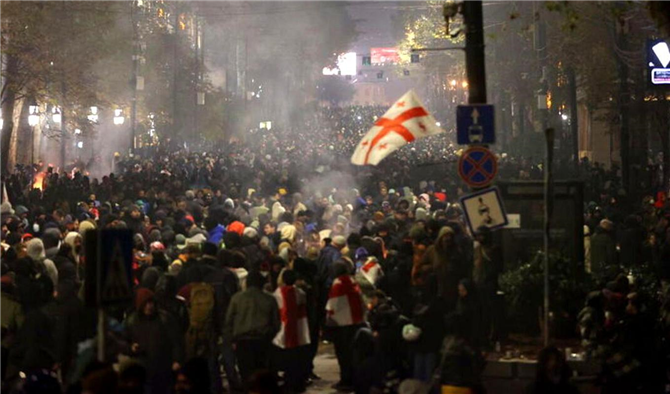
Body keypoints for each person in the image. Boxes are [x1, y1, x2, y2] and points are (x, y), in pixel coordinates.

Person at [224, 271, 280, 387]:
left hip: (242, 341)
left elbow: (228, 322)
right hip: (263, 340)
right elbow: (276, 323)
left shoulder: (236, 298)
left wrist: (230, 340)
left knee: (246, 374)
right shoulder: (269, 299)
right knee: (262, 375)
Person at [125, 288, 183, 394]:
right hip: (143, 369)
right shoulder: (132, 321)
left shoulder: (164, 319)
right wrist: (131, 348)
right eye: (146, 303)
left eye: (151, 303)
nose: (149, 306)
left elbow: (176, 340)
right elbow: (125, 341)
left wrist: (177, 360)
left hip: (163, 367)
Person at [325, 261, 366, 392]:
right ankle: (354, 379)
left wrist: (328, 321)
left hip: (342, 323)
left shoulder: (338, 283)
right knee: (353, 353)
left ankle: (345, 380)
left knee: (343, 354)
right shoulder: (352, 280)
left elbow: (333, 304)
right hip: (356, 321)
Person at [272, 269, 310, 393]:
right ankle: (298, 383)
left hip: (283, 331)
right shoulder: (300, 293)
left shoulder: (277, 293)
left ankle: (288, 383)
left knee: (286, 360)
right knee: (296, 359)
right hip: (298, 331)